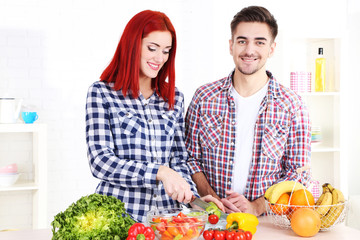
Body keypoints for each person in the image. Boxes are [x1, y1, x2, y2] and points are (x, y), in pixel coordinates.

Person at [85, 10, 223, 223]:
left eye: (166, 51)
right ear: (132, 45)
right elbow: (100, 162)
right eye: (152, 48)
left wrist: (191, 195)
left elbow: (179, 159)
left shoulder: (174, 98)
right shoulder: (102, 93)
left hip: (167, 221)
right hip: (120, 218)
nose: (160, 59)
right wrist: (160, 172)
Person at [185, 6, 312, 216]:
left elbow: (298, 173)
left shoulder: (293, 105)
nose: (249, 50)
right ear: (231, 45)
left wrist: (257, 206)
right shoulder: (204, 97)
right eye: (242, 41)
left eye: (259, 42)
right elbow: (189, 158)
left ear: (271, 49)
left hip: (265, 221)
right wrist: (213, 199)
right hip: (209, 218)